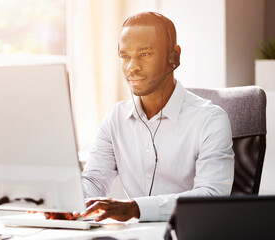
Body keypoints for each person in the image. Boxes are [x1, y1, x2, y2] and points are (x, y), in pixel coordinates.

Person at [79, 11, 234, 222]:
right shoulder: (115, 119)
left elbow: (211, 196)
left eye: (144, 54)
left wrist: (136, 208)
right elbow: (94, 182)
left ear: (174, 57)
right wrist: (67, 202)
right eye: (125, 56)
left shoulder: (210, 120)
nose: (131, 67)